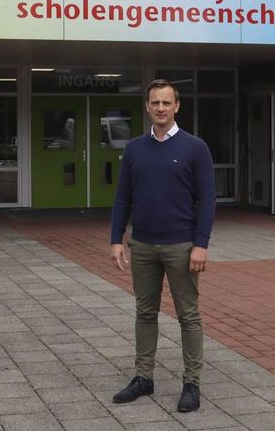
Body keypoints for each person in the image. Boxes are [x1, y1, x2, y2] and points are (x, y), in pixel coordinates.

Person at [109, 78, 215, 413]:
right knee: (144, 312)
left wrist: (201, 244)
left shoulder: (195, 148)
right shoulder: (135, 149)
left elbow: (207, 200)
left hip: (182, 247)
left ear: (177, 106)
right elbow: (123, 195)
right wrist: (116, 238)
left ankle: (192, 383)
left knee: (188, 315)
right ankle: (144, 378)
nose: (160, 108)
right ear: (147, 106)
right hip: (142, 245)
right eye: (155, 102)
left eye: (166, 103)